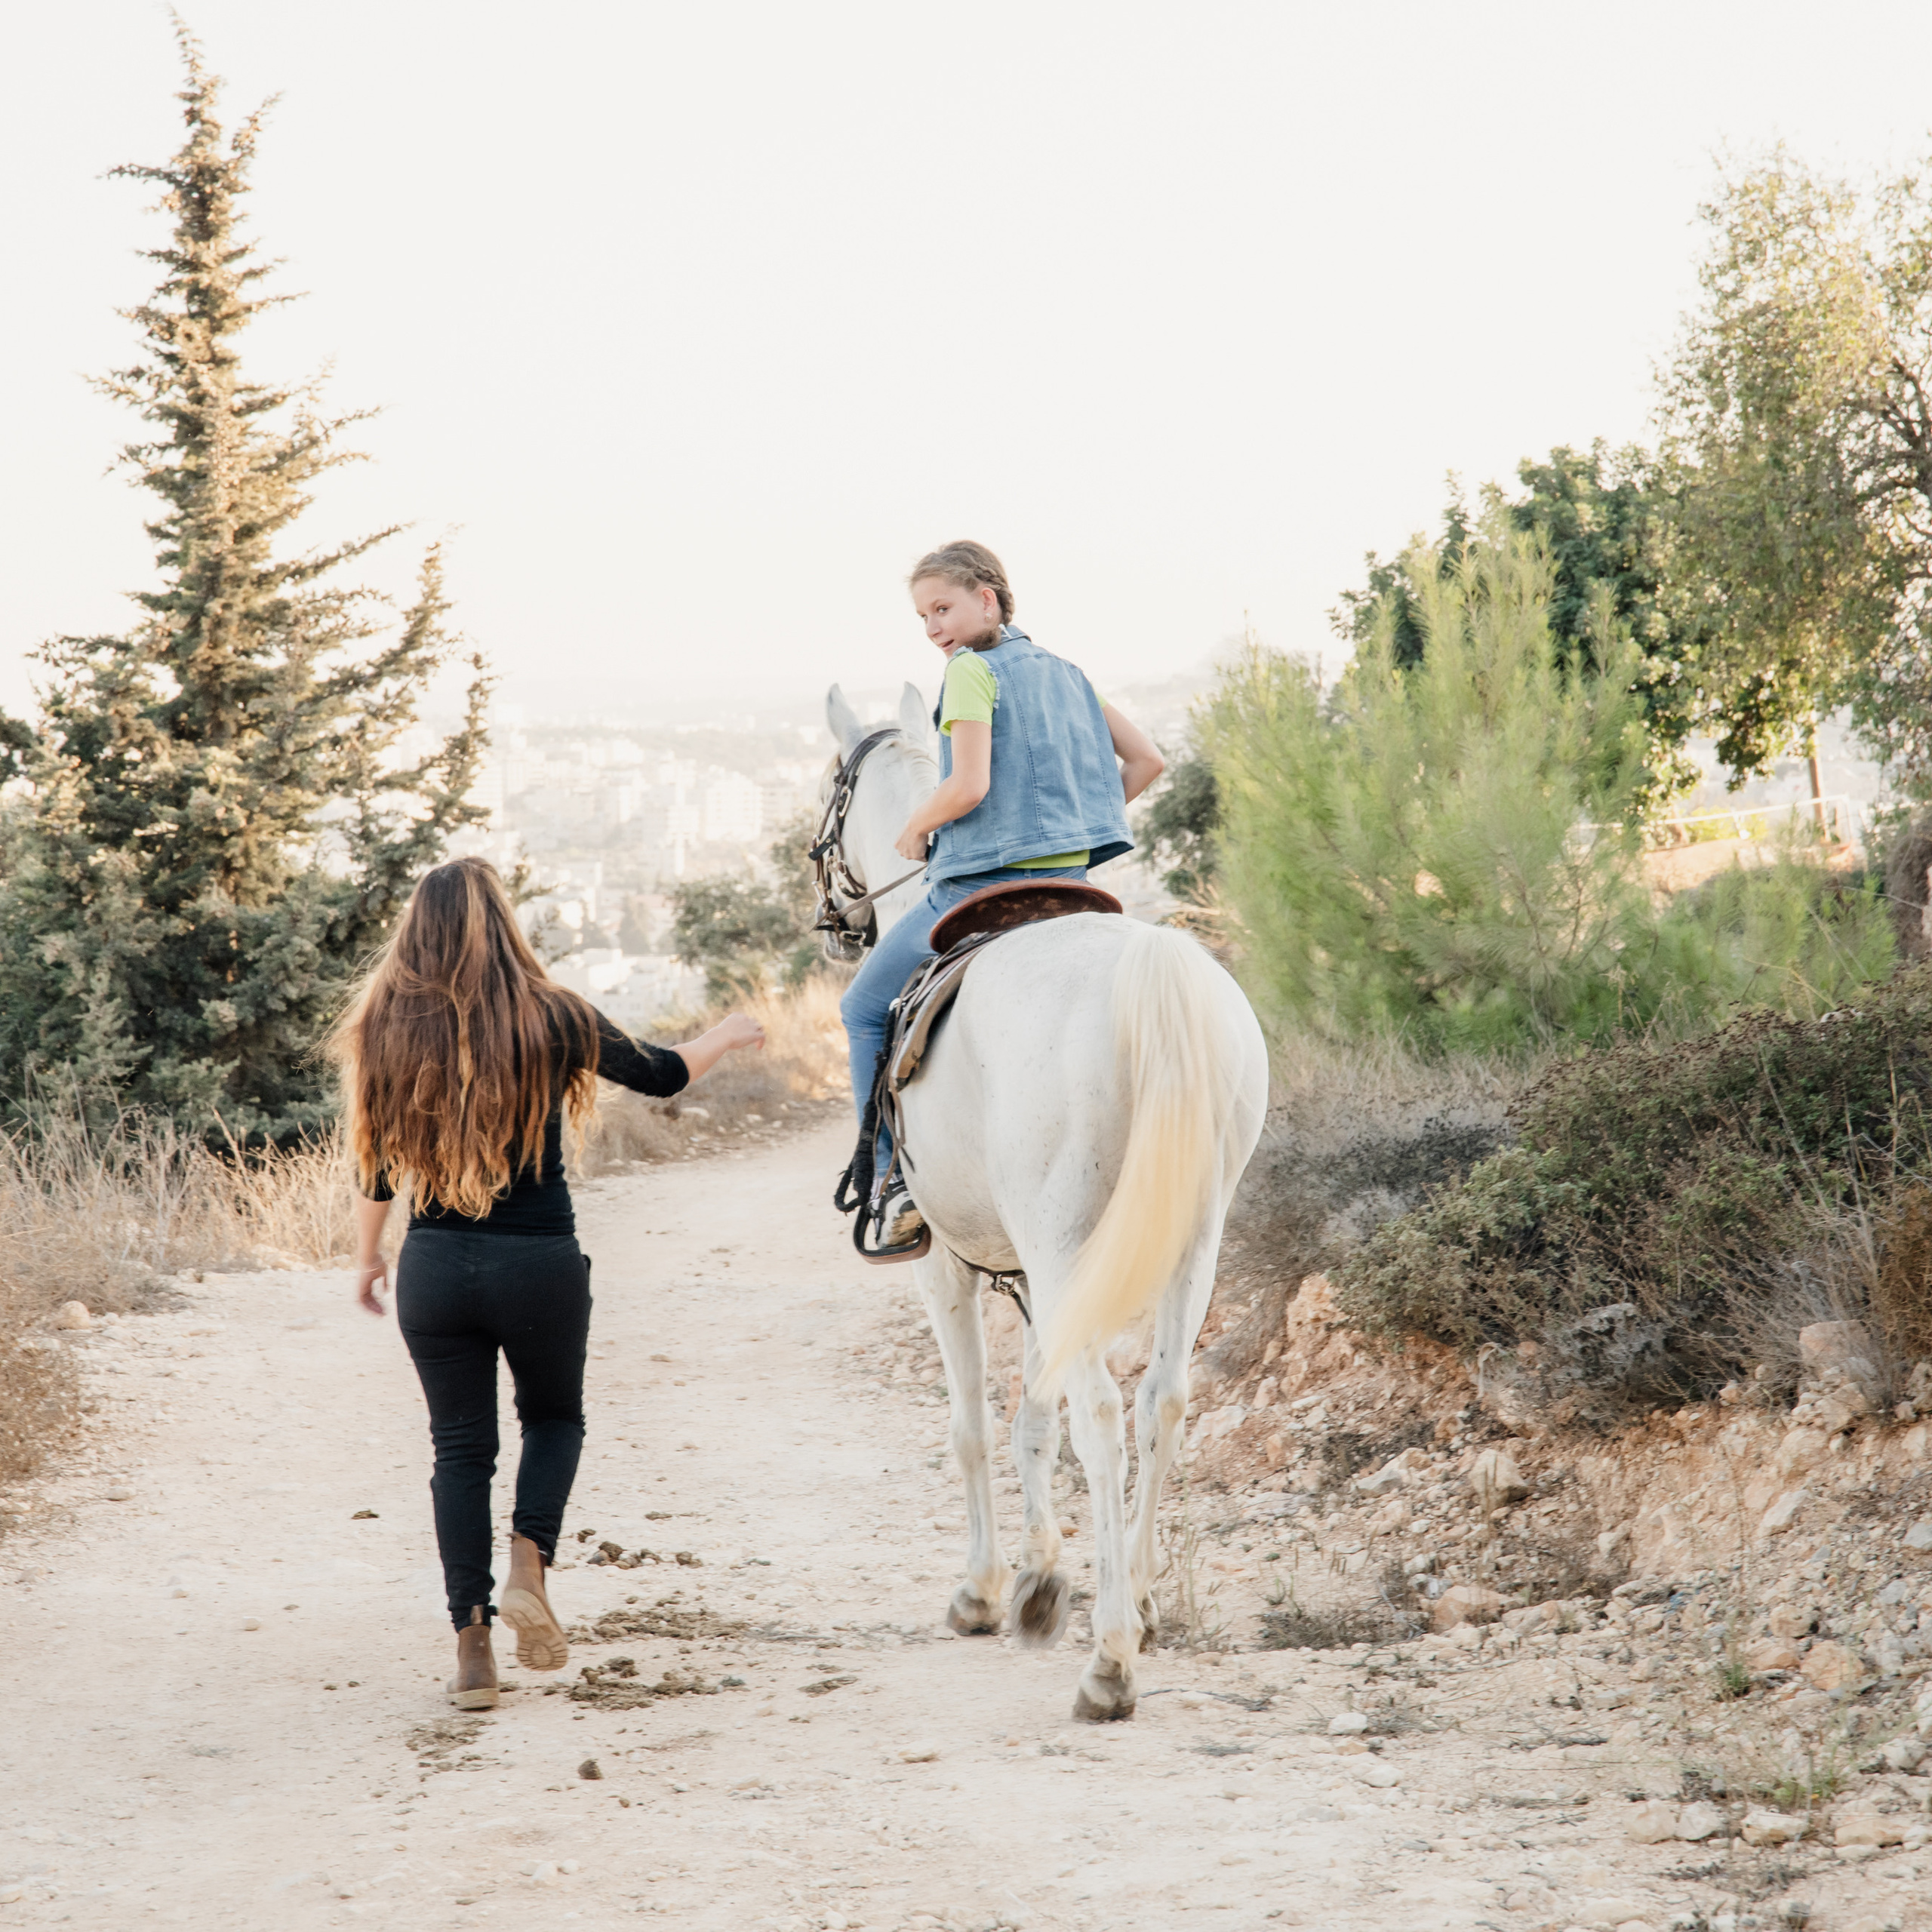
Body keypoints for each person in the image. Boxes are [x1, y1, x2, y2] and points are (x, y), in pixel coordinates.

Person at [331, 857, 763, 1709]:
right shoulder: (551, 1011)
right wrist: (726, 1031)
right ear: (502, 923)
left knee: (460, 1452)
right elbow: (661, 1072)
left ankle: (473, 1651)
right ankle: (529, 1562)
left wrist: (369, 1257)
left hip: (436, 1270)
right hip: (539, 1266)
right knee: (555, 1418)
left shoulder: (385, 1021)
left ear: (417, 930)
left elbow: (375, 1162)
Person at [839, 540, 1164, 1245]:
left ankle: (891, 1182)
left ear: (987, 599)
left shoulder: (969, 670)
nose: (934, 628)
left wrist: (914, 828)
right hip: (1072, 885)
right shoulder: (1070, 674)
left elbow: (968, 786)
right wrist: (1074, 823)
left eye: (943, 608)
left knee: (861, 1009)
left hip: (980, 887)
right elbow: (1147, 760)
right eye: (923, 617)